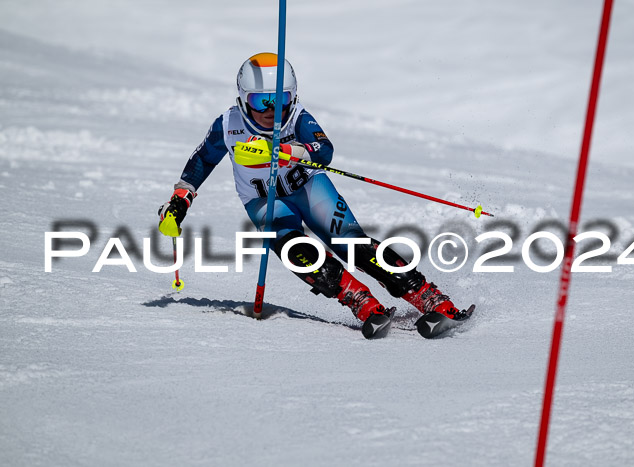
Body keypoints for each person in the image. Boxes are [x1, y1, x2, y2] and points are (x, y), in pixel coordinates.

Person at [158, 52, 466, 327]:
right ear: (243, 99)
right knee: (297, 252)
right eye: (259, 101)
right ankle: (360, 301)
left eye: (280, 100)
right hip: (264, 201)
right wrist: (179, 201)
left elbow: (324, 151)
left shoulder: (297, 117)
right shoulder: (228, 125)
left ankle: (429, 298)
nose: (271, 110)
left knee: (352, 243)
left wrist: (286, 151)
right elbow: (201, 161)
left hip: (308, 187)